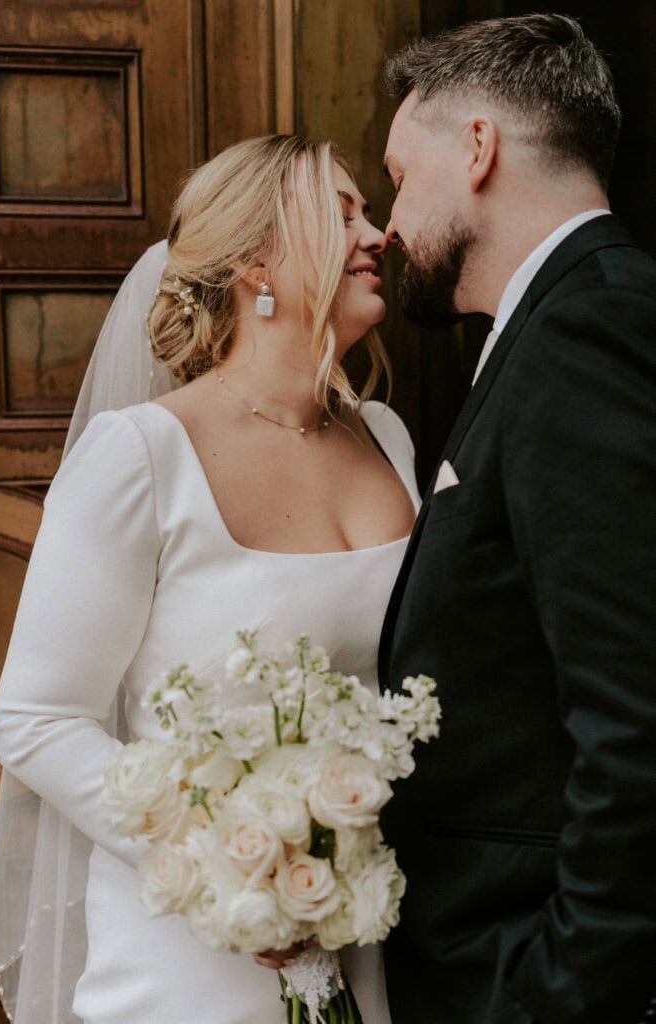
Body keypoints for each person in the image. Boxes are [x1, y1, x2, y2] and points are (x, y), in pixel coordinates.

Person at [0, 135, 421, 1024]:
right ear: (256, 260)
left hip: (373, 937)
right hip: (195, 949)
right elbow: (35, 719)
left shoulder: (388, 439)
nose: (380, 234)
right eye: (343, 214)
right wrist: (229, 863)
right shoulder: (140, 456)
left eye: (369, 211)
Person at [377, 12, 656, 1024]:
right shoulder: (560, 319)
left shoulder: (585, 327)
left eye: (400, 176)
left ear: (478, 147)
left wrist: (565, 989)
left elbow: (631, 706)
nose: (388, 223)